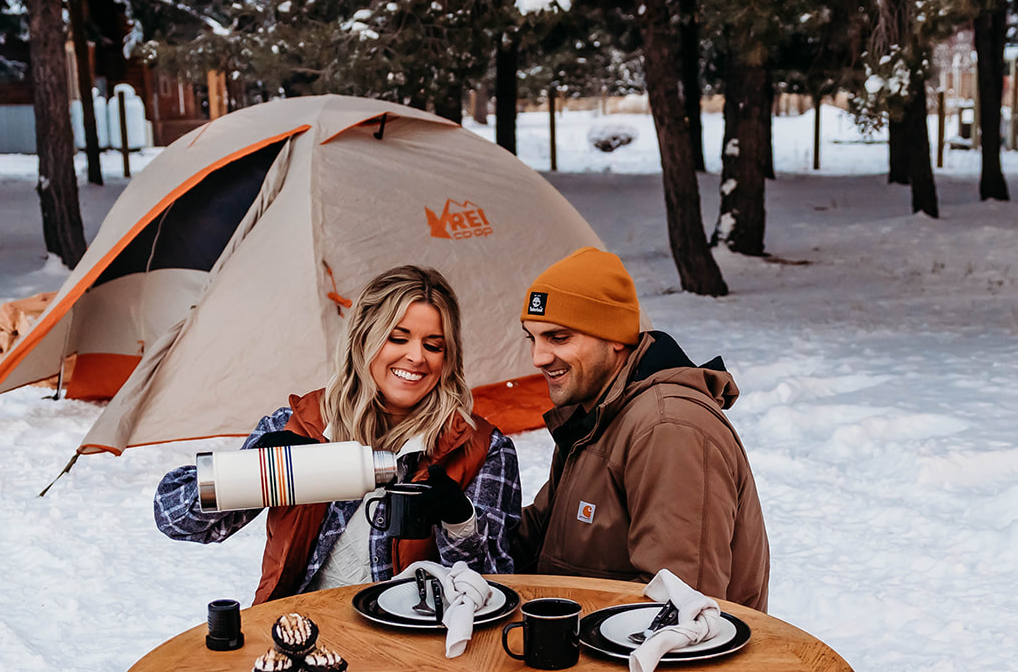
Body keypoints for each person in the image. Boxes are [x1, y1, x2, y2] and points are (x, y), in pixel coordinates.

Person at [154, 265, 520, 602]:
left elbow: (496, 588)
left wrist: (460, 523)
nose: (417, 357)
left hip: (415, 651)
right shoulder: (303, 426)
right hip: (300, 638)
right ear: (363, 340)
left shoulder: (482, 451)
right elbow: (174, 518)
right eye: (398, 338)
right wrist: (252, 469)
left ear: (448, 356)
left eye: (433, 345)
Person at [512, 246, 770, 610]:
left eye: (559, 337)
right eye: (532, 338)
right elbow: (541, 537)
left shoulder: (668, 428)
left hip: (644, 660)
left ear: (615, 336)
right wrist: (456, 528)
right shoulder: (596, 412)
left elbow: (679, 608)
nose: (538, 358)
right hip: (593, 649)